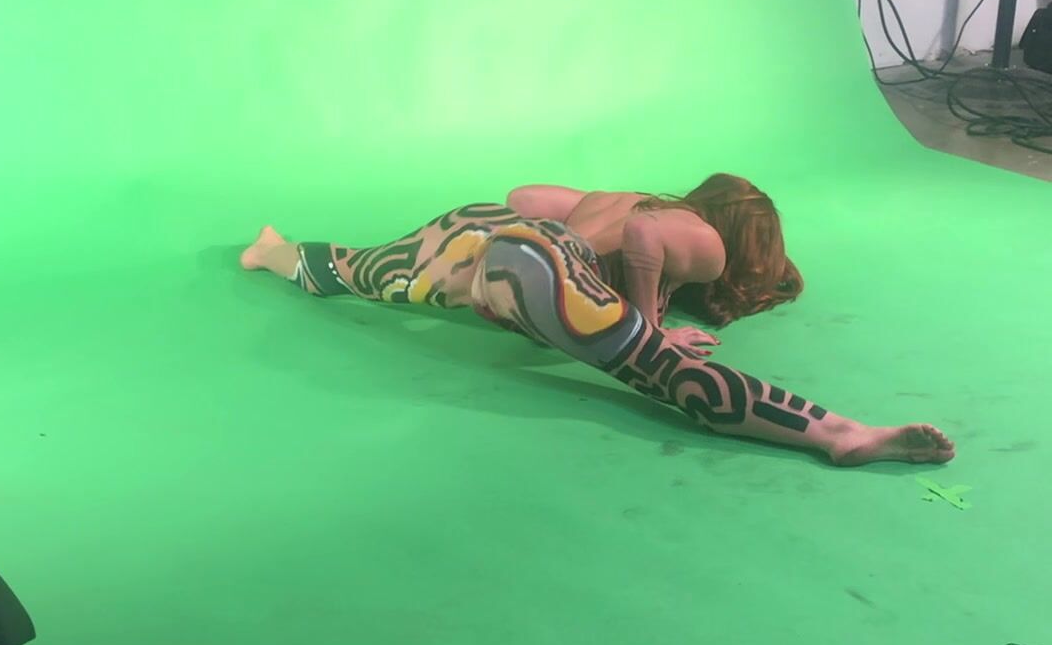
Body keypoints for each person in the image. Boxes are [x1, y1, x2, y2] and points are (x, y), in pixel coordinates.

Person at [240, 177, 954, 467]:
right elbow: (645, 241)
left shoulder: (626, 197)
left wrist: (577, 241)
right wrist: (651, 322)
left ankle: (270, 251)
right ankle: (839, 434)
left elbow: (526, 196)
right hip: (535, 266)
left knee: (360, 270)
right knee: (661, 368)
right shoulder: (706, 242)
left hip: (477, 232)